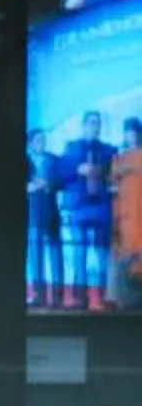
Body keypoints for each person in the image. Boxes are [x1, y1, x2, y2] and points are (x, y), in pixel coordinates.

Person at [65, 109, 121, 310]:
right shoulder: (72, 148)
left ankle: (103, 295)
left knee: (102, 253)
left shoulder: (109, 150)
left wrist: (106, 177)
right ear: (84, 125)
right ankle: (80, 296)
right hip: (79, 205)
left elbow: (115, 175)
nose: (94, 126)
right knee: (79, 251)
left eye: (97, 123)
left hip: (101, 206)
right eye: (91, 123)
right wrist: (77, 169)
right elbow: (62, 173)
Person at [29, 128, 63, 309]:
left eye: (43, 139)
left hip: (51, 214)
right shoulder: (24, 161)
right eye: (37, 140)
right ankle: (38, 294)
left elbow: (61, 182)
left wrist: (47, 184)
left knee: (55, 255)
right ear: (30, 143)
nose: (41, 142)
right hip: (33, 214)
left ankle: (58, 295)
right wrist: (30, 186)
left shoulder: (53, 160)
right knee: (36, 256)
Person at [117, 120, 142, 311]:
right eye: (128, 133)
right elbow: (112, 177)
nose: (131, 136)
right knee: (126, 251)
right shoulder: (119, 156)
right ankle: (127, 298)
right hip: (125, 212)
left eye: (134, 132)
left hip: (139, 212)